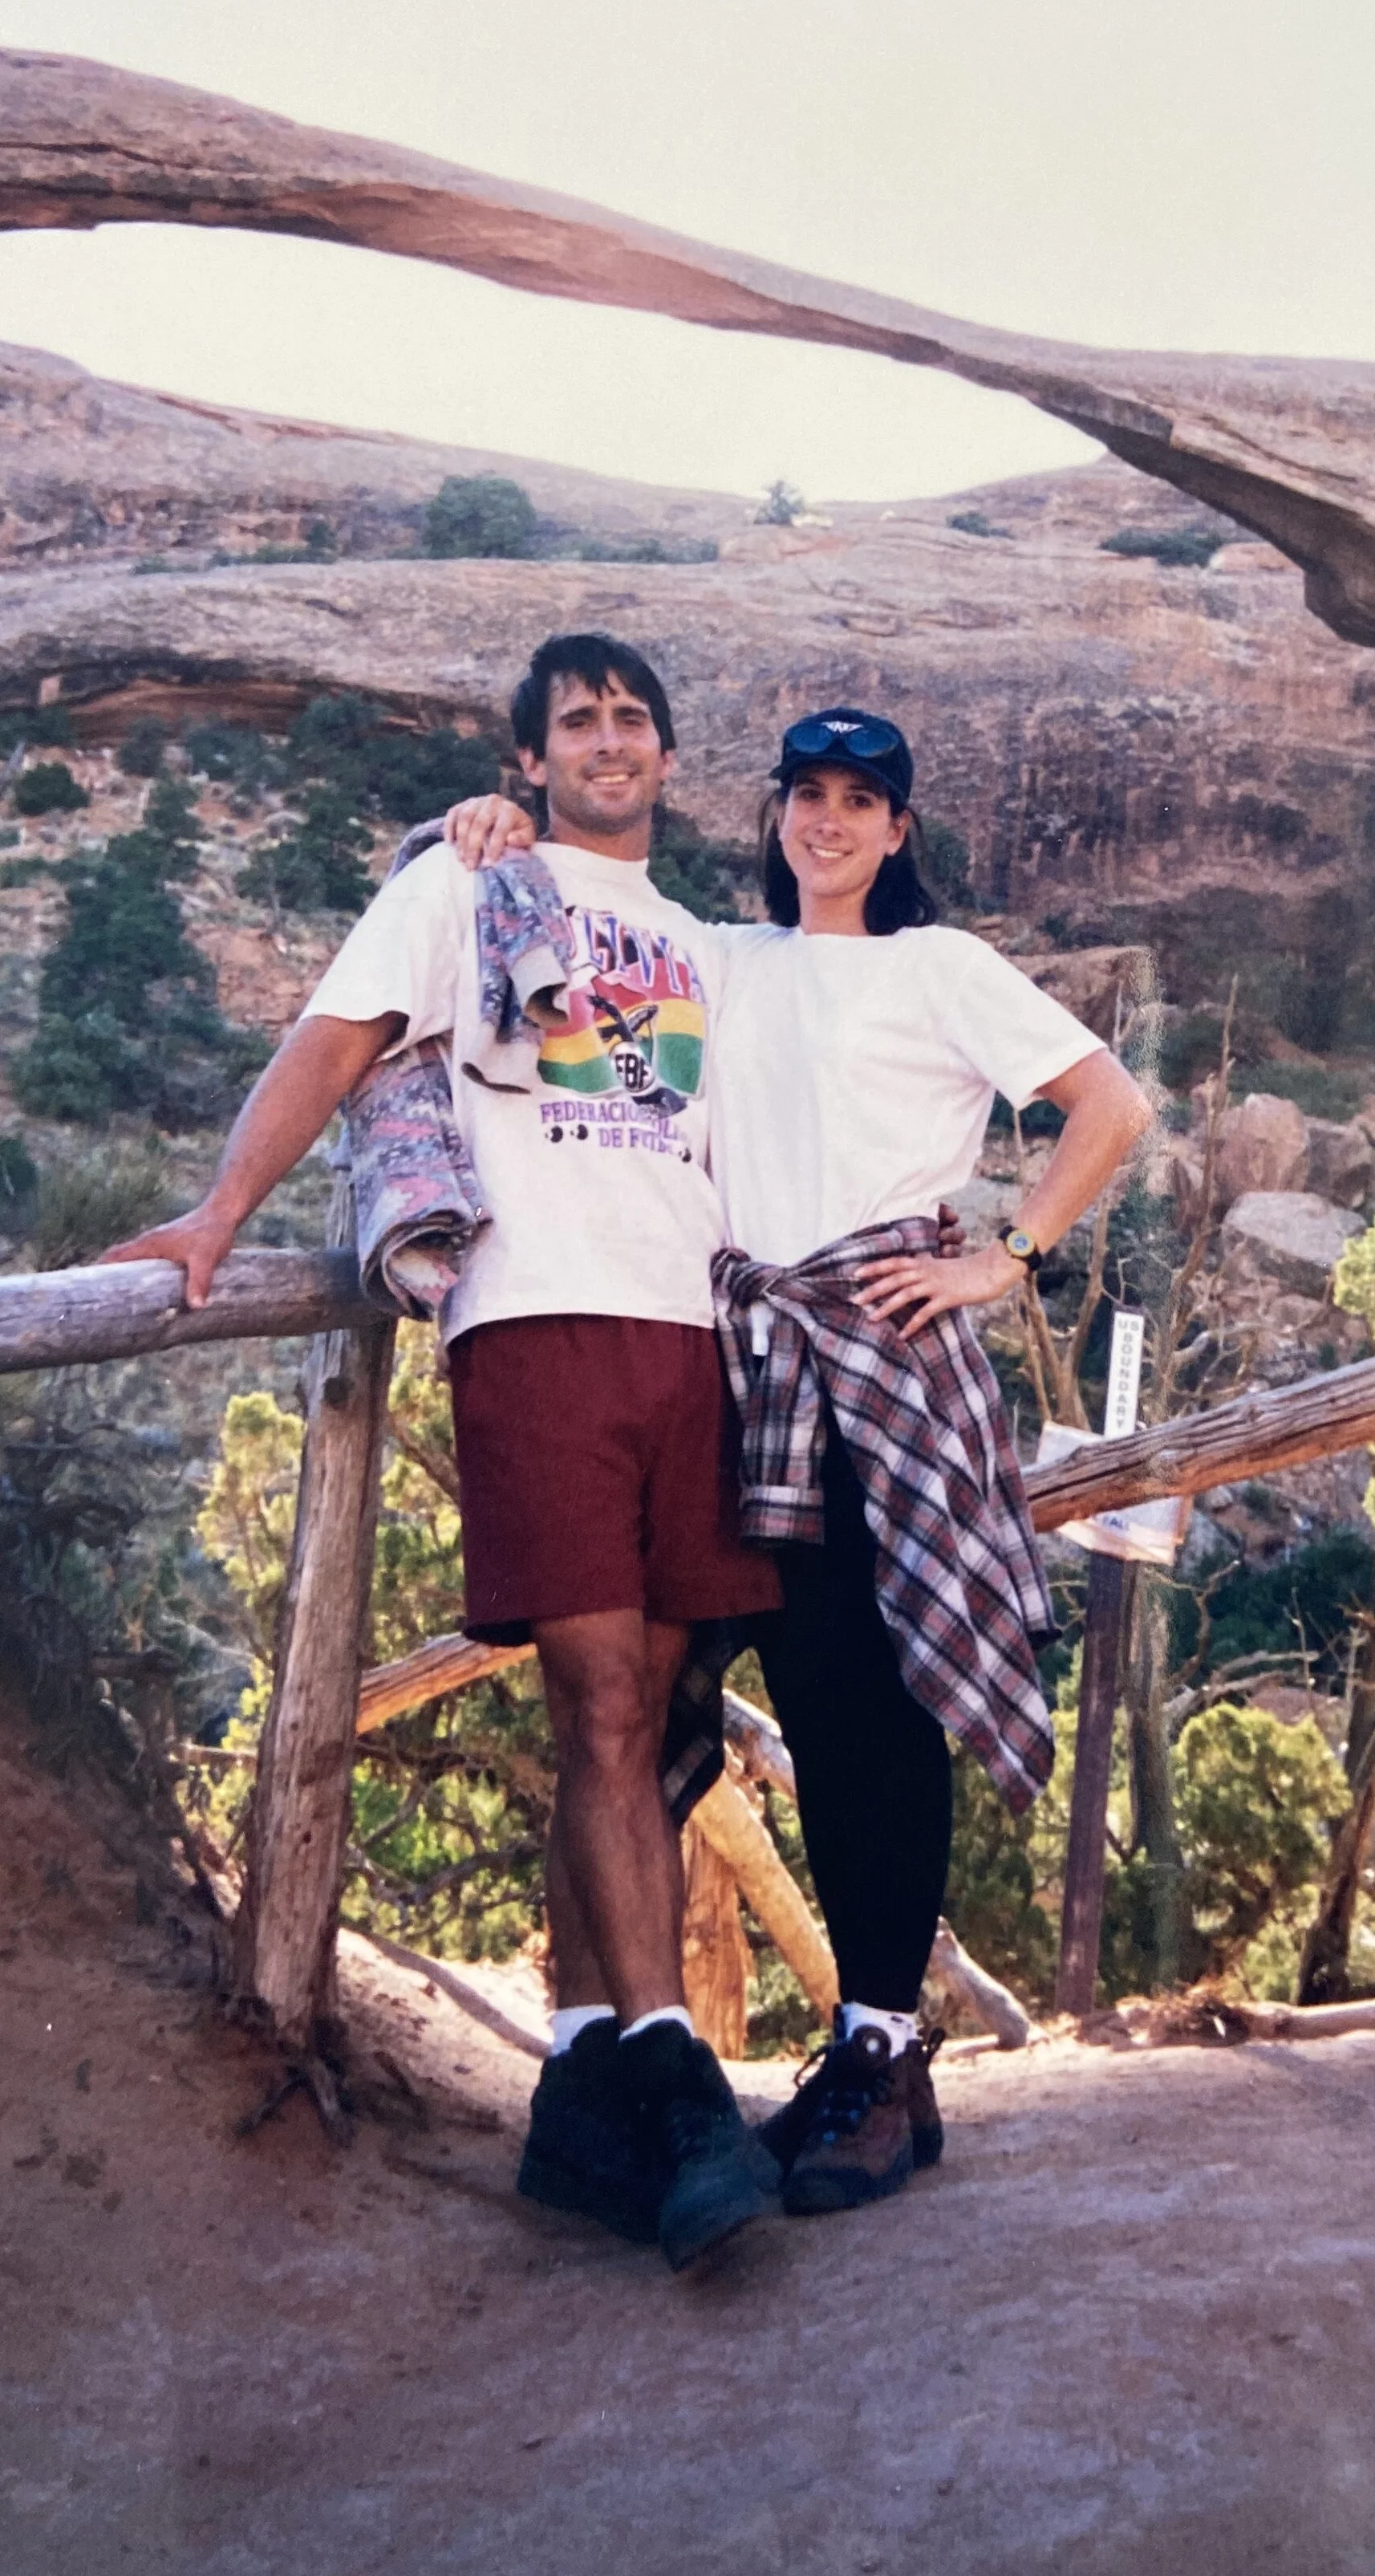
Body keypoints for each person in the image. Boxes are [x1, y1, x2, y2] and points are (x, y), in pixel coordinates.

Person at [103, 634, 783, 2271]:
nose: (609, 740)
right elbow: (335, 1040)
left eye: (633, 717)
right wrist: (218, 1215)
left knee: (649, 1714)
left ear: (666, 759)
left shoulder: (703, 944)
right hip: (536, 1321)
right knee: (604, 1694)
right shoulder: (458, 889)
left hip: (692, 1334)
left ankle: (576, 2098)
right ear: (528, 766)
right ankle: (679, 2089)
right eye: (577, 722)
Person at [445, 702, 1150, 2215]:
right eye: (807, 795)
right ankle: (712, 2060)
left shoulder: (942, 966)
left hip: (882, 1354)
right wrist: (491, 831)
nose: (828, 822)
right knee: (738, 1687)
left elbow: (1111, 1106)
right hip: (749, 1354)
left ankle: (886, 2056)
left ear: (901, 831)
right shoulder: (729, 956)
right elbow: (587, 927)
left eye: (861, 802)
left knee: (872, 1701)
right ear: (778, 814)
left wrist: (1006, 1254)